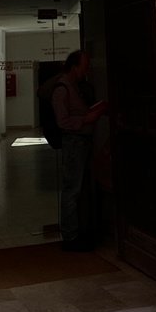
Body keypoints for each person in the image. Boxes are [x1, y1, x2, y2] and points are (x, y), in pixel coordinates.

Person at [51, 48, 106, 251]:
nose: (87, 70)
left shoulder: (75, 86)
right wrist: (86, 119)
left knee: (79, 188)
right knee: (72, 189)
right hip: (74, 143)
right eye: (84, 66)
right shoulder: (62, 88)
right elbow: (62, 121)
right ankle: (70, 237)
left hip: (82, 142)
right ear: (74, 67)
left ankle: (81, 230)